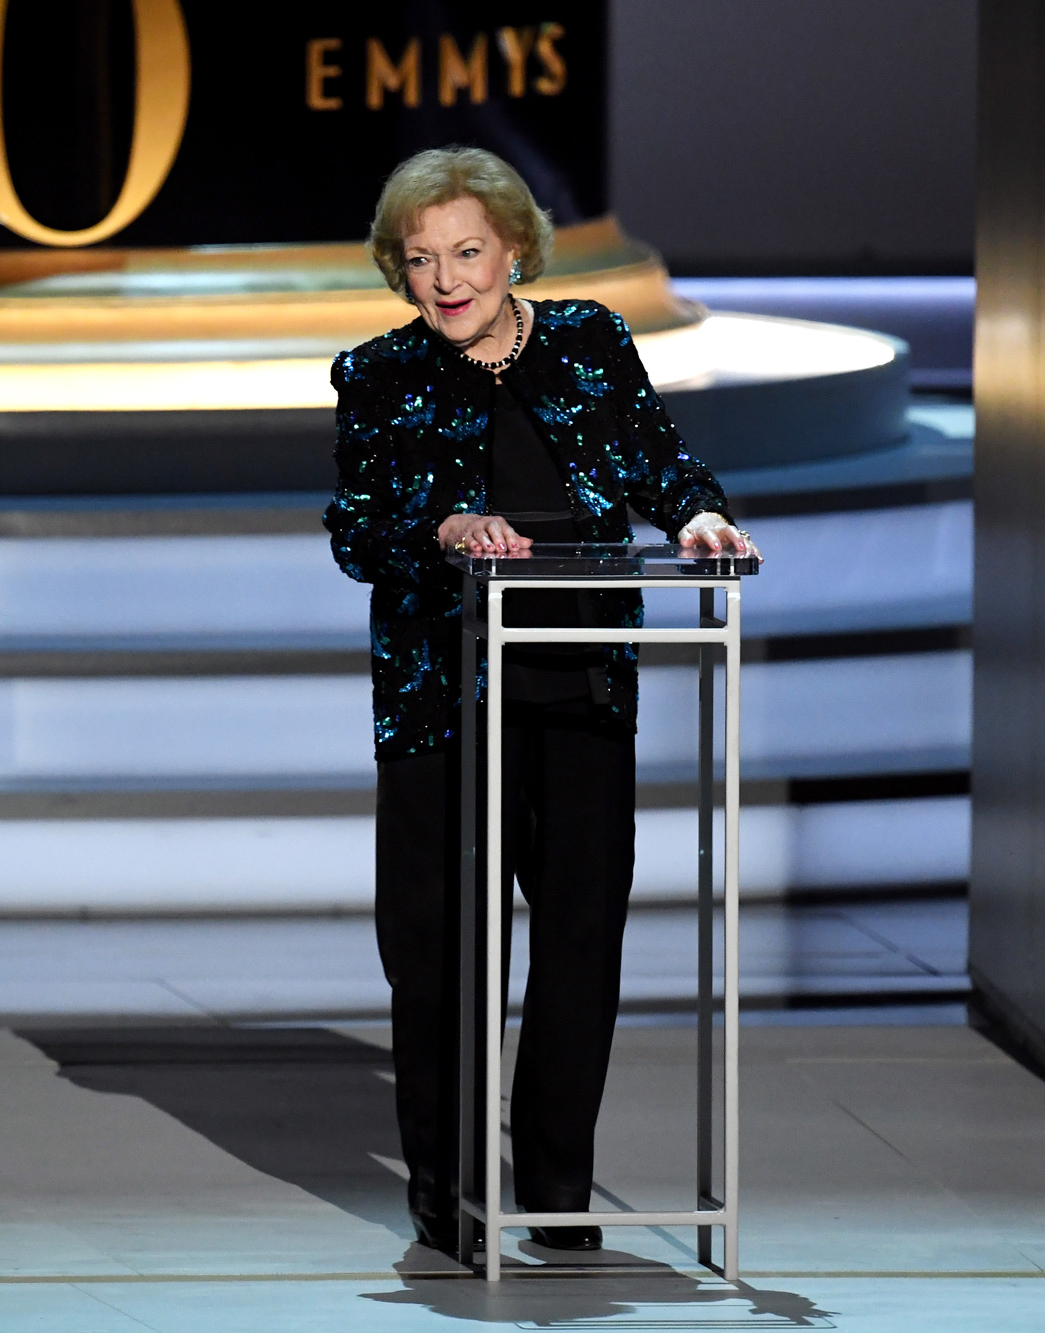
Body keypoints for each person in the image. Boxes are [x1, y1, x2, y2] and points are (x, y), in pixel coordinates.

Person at [324, 146, 755, 1257]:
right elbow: (356, 530)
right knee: (438, 957)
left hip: (574, 684)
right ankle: (449, 1195)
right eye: (419, 260)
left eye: (466, 251)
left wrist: (697, 519)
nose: (445, 279)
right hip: (441, 704)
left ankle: (556, 1189)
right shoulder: (377, 375)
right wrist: (442, 529)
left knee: (576, 941)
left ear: (513, 247)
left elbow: (660, 464)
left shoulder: (589, 342)